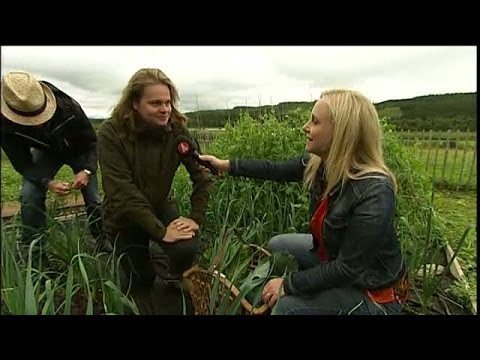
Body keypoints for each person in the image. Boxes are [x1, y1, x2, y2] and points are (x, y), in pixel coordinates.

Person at [199, 89, 408, 315]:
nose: (306, 127)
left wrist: (289, 285)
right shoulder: (322, 165)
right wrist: (225, 165)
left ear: (341, 132)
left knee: (287, 307)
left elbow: (349, 268)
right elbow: (275, 170)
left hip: (374, 293)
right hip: (334, 259)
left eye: (315, 121)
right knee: (279, 245)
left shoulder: (374, 191)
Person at [97, 68, 214, 313]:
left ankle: (172, 275)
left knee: (186, 247)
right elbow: (122, 190)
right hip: (123, 215)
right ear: (135, 104)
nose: (165, 109)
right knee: (141, 280)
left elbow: (202, 174)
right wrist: (161, 232)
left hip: (160, 204)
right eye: (155, 103)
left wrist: (195, 218)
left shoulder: (177, 131)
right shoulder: (111, 133)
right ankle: (144, 273)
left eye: (168, 102)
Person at [0, 71, 110, 266]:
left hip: (78, 150)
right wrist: (47, 181)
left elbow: (91, 143)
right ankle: (35, 255)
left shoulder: (68, 107)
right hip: (47, 153)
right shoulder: (4, 123)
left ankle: (102, 241)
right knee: (29, 195)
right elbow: (23, 163)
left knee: (93, 198)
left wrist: (86, 170)